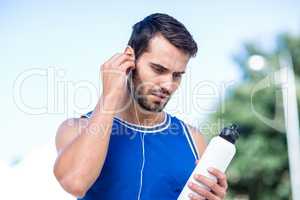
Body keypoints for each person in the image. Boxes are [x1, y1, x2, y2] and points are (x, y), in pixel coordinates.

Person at [53, 13, 228, 200]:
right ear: (130, 58)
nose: (168, 85)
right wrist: (110, 94)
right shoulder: (76, 129)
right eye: (158, 69)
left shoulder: (193, 139)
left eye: (177, 75)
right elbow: (75, 183)